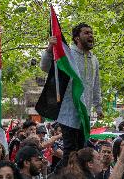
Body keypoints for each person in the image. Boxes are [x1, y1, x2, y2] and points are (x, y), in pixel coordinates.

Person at [40, 23, 104, 170]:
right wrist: (50, 48)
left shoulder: (94, 59)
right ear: (76, 38)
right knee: (70, 152)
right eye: (86, 33)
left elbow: (96, 85)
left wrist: (98, 106)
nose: (90, 36)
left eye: (91, 33)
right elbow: (44, 66)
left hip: (85, 113)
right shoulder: (66, 53)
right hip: (68, 112)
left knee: (82, 152)